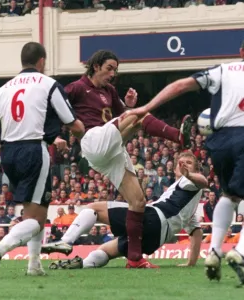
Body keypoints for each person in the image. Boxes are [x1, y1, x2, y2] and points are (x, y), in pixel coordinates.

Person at [47, 50, 193, 268]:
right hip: (93, 140)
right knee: (140, 114)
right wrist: (54, 136)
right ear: (96, 66)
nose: (113, 73)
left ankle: (135, 259)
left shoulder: (110, 91)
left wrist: (129, 106)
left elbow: (125, 117)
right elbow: (53, 108)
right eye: (109, 68)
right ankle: (178, 136)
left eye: (115, 69)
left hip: (112, 150)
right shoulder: (77, 87)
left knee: (138, 202)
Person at [0, 42, 85, 279]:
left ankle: (34, 265)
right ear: (42, 61)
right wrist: (88, 134)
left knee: (34, 211)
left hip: (8, 155)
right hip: (34, 150)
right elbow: (73, 123)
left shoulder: (2, 90)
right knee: (37, 217)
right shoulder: (49, 85)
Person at [123, 42, 244, 284]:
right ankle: (239, 252)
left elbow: (180, 85)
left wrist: (146, 107)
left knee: (230, 197)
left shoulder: (223, 70)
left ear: (241, 52)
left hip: (220, 141)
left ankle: (214, 251)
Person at [45, 152, 206, 270]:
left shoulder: (189, 181)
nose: (183, 165)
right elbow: (196, 233)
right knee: (105, 251)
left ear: (196, 170)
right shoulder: (188, 202)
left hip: (152, 219)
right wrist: (191, 263)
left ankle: (66, 241)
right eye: (181, 162)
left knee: (93, 208)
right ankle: (82, 265)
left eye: (188, 163)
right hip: (155, 240)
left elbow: (203, 181)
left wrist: (190, 175)